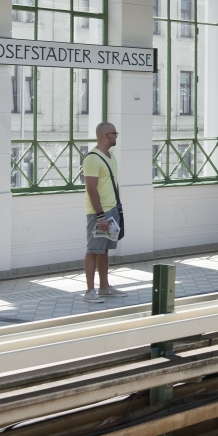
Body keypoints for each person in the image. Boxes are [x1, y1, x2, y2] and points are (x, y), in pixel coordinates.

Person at [82, 122, 127, 303]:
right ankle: (89, 291)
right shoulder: (92, 159)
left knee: (104, 250)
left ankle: (104, 287)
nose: (116, 137)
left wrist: (117, 207)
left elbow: (113, 184)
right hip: (98, 213)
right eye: (115, 134)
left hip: (112, 210)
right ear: (107, 135)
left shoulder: (110, 156)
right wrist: (100, 215)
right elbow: (91, 189)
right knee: (93, 250)